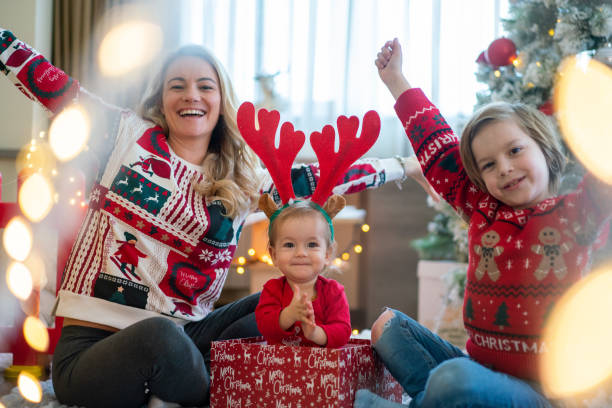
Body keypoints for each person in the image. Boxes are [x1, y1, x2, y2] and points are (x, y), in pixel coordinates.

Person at [0, 27, 435, 408]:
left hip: (191, 337)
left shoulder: (242, 177)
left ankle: (225, 383)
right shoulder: (123, 137)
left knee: (279, 297)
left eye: (205, 86)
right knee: (162, 339)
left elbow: (324, 179)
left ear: (221, 99)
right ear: (161, 98)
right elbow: (48, 82)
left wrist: (406, 165)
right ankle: (224, 388)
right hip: (94, 351)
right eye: (178, 85)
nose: (192, 95)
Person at [354, 38, 612, 408]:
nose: (504, 168)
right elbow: (437, 146)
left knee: (453, 380)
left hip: (544, 394)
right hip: (481, 369)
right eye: (488, 165)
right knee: (388, 327)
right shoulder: (481, 207)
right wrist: (396, 80)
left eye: (515, 151)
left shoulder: (577, 212)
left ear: (544, 147)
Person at [255, 197, 350, 348]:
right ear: (274, 255)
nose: (300, 253)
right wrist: (288, 315)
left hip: (323, 368)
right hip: (279, 367)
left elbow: (343, 332)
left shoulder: (333, 291)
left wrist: (315, 333)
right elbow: (264, 327)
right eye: (289, 244)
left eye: (312, 244)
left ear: (327, 254)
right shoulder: (272, 289)